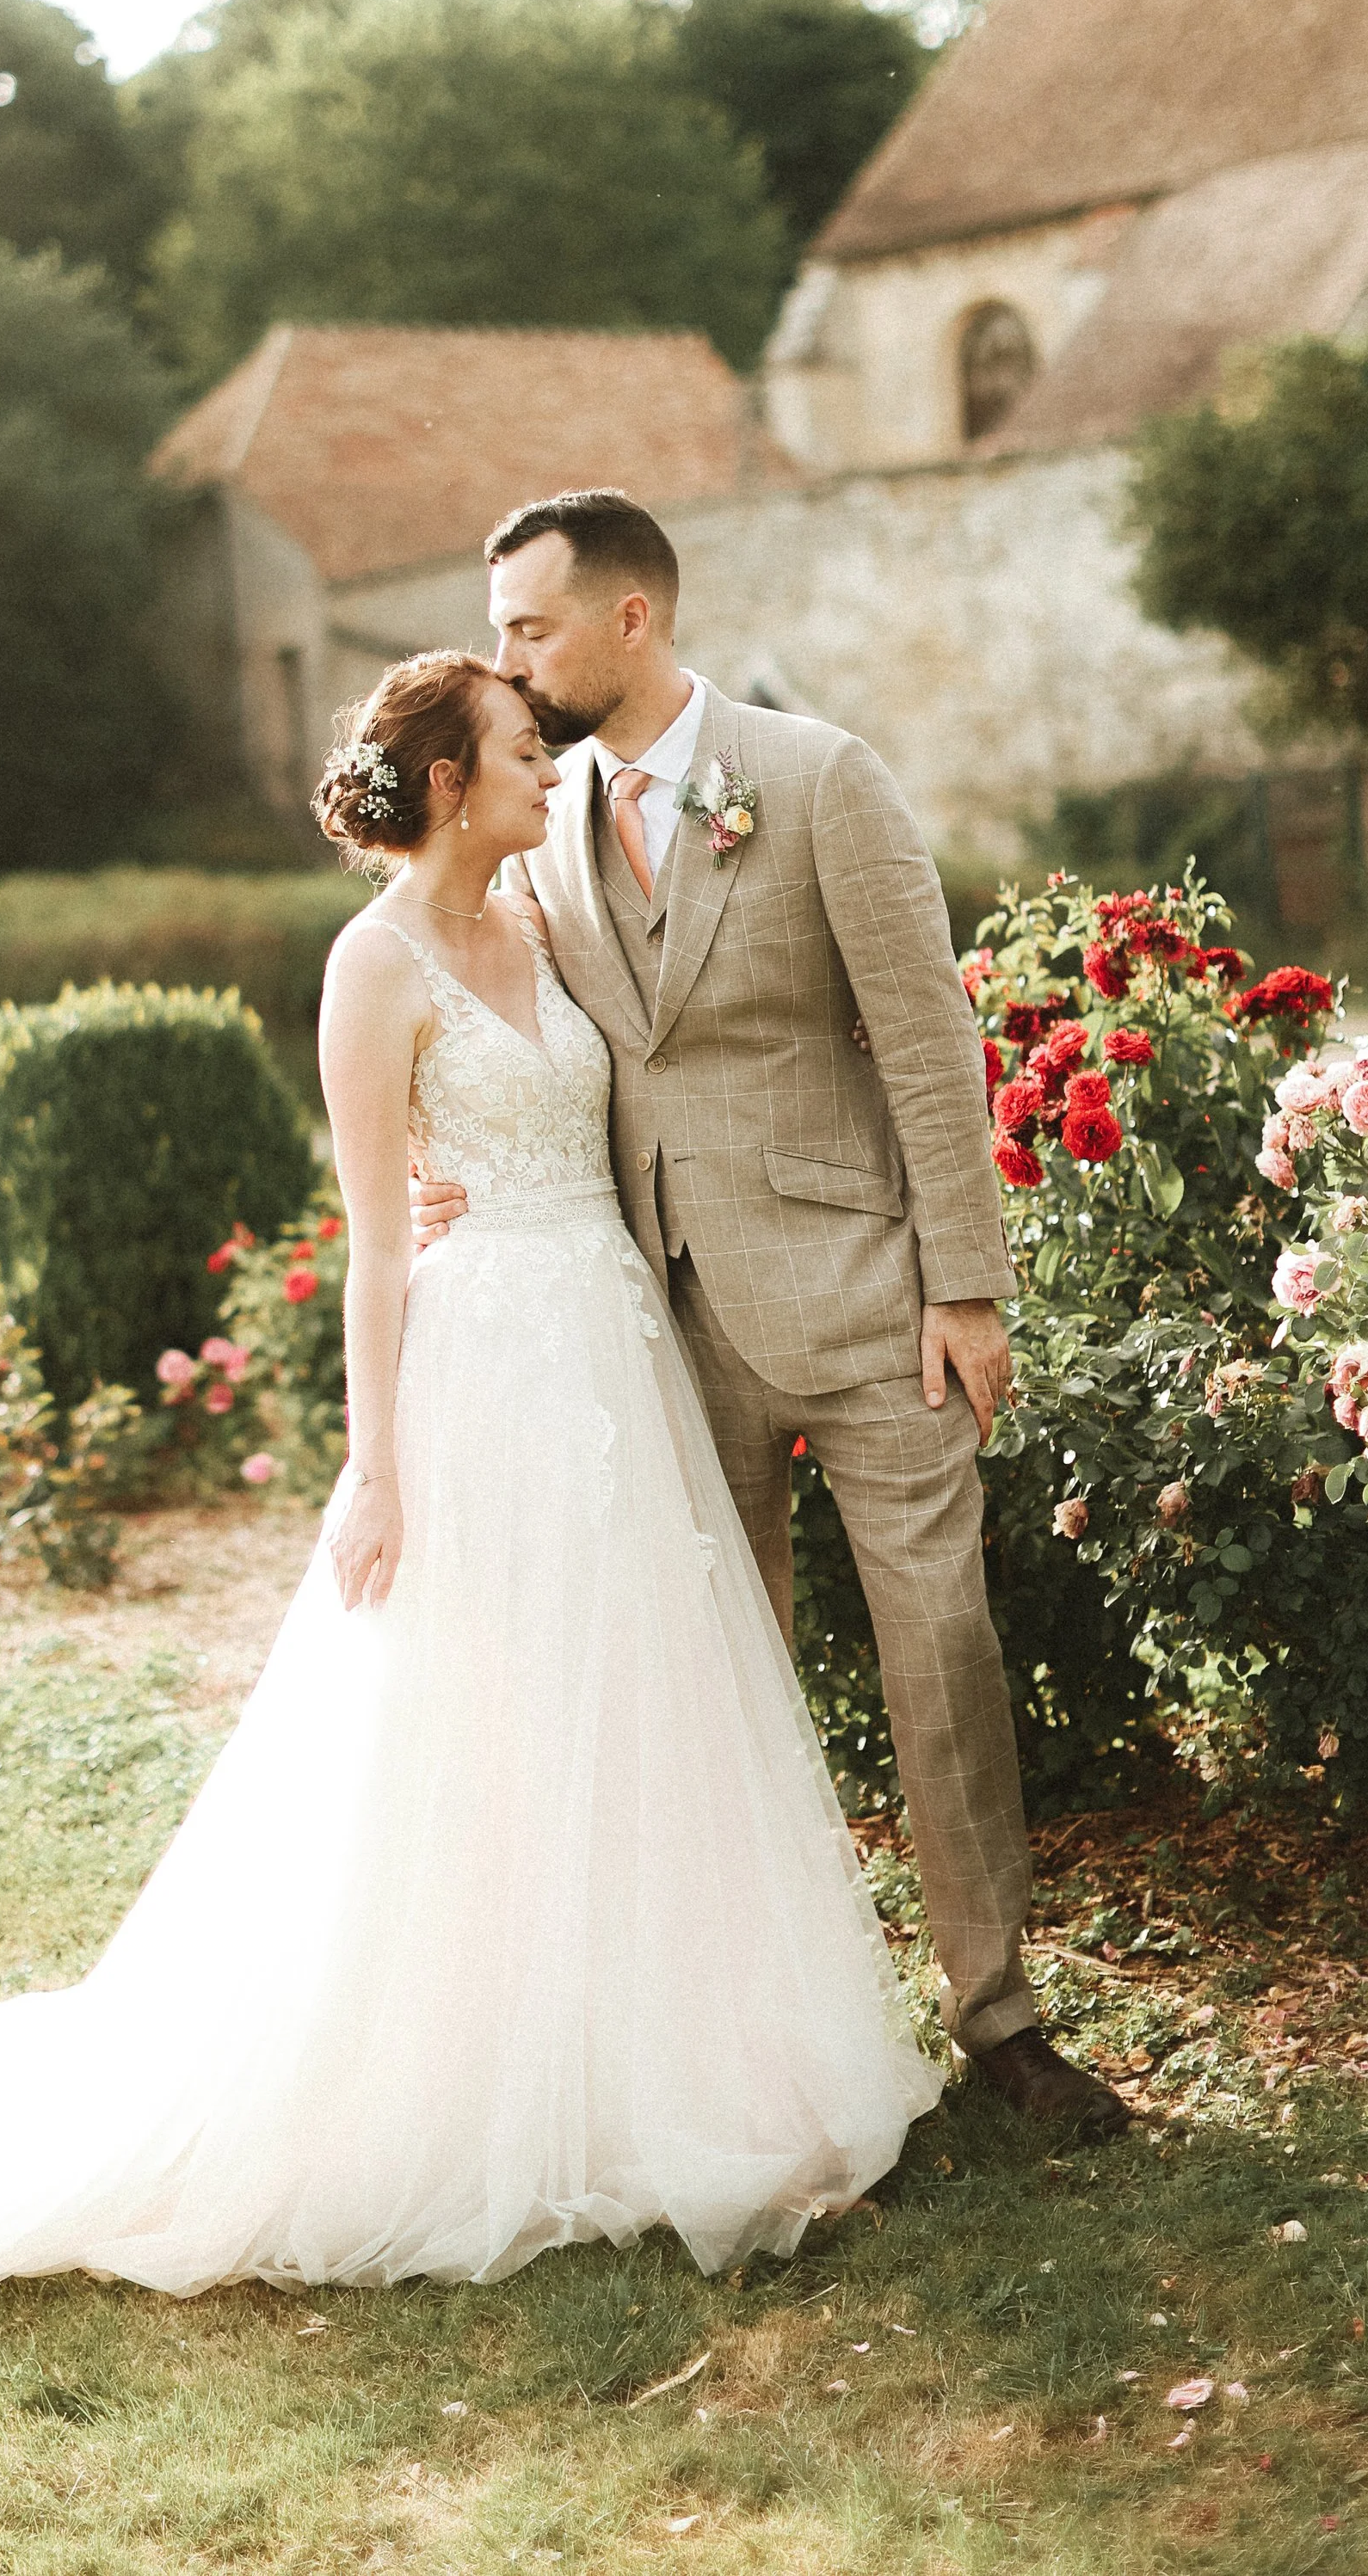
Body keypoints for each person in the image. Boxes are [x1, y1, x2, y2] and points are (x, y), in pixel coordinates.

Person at [0, 650, 940, 2363]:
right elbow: (378, 1244)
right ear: (449, 781)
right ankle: (479, 2075)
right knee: (477, 1719)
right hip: (482, 1374)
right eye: (524, 752)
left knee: (631, 1706)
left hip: (610, 1349)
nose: (550, 773)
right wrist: (373, 1468)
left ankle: (657, 2050)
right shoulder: (370, 971)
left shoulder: (548, 923)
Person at [412, 489, 1126, 2141]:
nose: (506, 662)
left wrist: (967, 1285)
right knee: (714, 1677)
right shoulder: (548, 817)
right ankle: (759, 2032)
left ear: (628, 619)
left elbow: (928, 1045)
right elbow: (475, 998)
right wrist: (436, 1163)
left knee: (936, 1647)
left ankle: (1001, 2024)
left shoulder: (814, 781)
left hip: (872, 1301)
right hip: (655, 1321)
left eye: (528, 626)